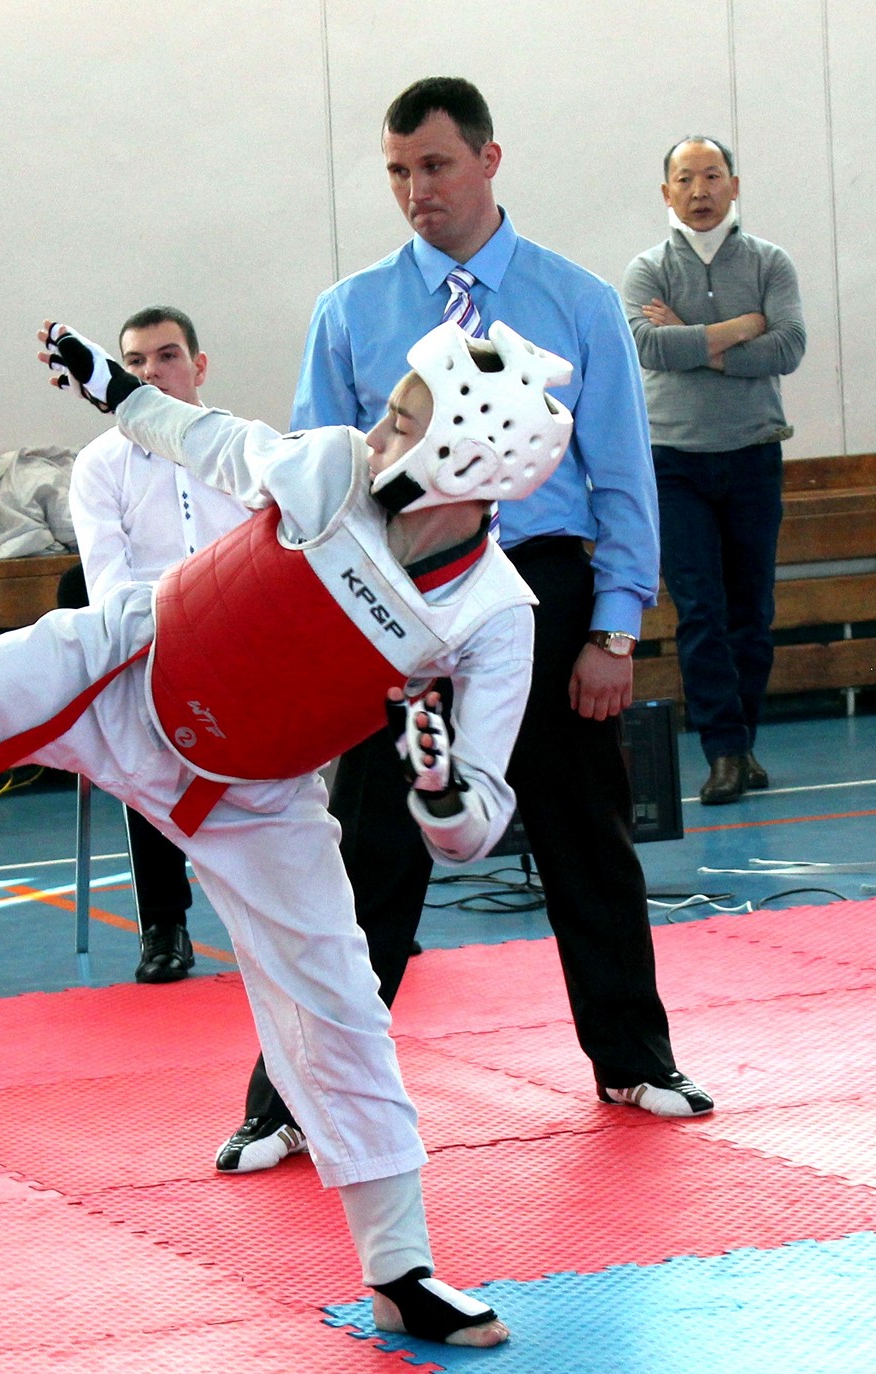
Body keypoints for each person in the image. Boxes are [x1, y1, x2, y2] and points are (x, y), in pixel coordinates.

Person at [0, 313, 581, 1350]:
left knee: (337, 1004)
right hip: (127, 674)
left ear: (463, 456)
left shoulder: (490, 615)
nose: (377, 432)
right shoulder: (329, 468)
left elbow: (473, 826)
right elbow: (207, 440)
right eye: (390, 412)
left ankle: (402, 1272)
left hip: (258, 802)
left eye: (403, 422)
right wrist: (115, 390)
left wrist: (433, 786)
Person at [235, 75, 713, 1172]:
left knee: (583, 835)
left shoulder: (576, 301)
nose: (416, 192)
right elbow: (313, 481)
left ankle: (634, 1056)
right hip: (391, 599)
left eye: (436, 167)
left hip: (536, 584)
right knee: (365, 856)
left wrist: (612, 631)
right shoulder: (350, 310)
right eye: (398, 172)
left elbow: (623, 480)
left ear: (489, 161)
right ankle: (291, 1097)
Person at [68, 306, 251, 983]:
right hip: (151, 643)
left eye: (167, 357)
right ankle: (164, 924)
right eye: (136, 362)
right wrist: (171, 644)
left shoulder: (242, 446)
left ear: (199, 366)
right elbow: (109, 587)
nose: (152, 373)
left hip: (244, 637)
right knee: (140, 736)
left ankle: (329, 910)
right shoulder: (98, 466)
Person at [623, 135, 806, 805]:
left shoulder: (769, 263)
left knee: (750, 612)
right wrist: (738, 328)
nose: (699, 191)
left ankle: (746, 741)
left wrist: (697, 341)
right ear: (666, 192)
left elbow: (787, 345)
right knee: (699, 610)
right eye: (684, 179)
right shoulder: (646, 270)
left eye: (711, 176)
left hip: (754, 453)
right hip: (673, 462)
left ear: (734, 184)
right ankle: (723, 752)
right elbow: (647, 345)